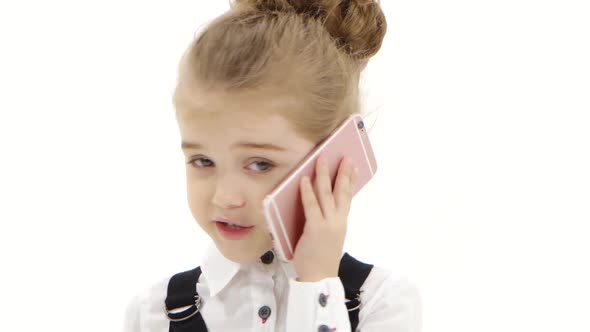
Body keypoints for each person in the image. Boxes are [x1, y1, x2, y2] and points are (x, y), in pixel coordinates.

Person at [123, 0, 421, 331]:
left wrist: (317, 283)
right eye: (203, 161)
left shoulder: (382, 304)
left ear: (333, 160)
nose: (225, 197)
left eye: (260, 164)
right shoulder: (153, 314)